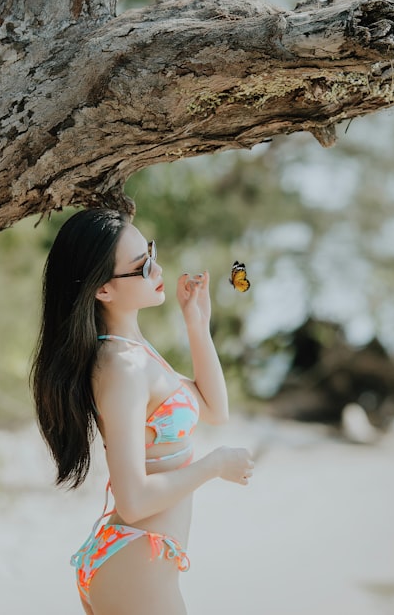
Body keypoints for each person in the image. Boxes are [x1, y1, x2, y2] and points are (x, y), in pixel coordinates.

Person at [31, 208, 254, 615]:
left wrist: (197, 326)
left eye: (151, 252)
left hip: (139, 565)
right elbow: (133, 500)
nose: (158, 269)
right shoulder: (122, 367)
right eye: (142, 266)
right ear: (103, 290)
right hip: (137, 567)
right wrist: (216, 464)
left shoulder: (135, 353)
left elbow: (213, 408)